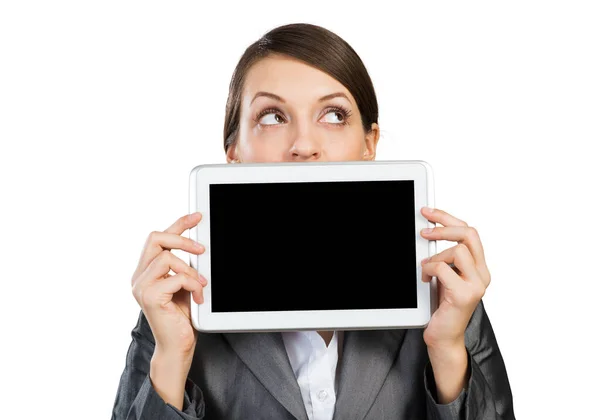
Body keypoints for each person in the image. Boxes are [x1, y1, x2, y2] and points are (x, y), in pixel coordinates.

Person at [111, 23, 515, 420]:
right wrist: (172, 359)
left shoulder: (445, 296)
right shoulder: (177, 304)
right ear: (233, 150)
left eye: (334, 115)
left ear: (369, 144)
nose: (304, 146)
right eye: (272, 116)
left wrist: (446, 352)